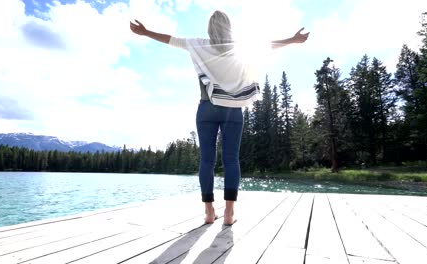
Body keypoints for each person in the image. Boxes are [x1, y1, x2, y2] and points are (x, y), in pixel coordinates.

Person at [130, 11, 309, 225]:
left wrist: (145, 32)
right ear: (229, 28)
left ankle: (208, 212)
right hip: (233, 110)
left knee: (207, 160)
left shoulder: (198, 44)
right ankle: (229, 214)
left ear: (209, 29)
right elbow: (268, 46)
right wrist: (293, 40)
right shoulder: (239, 49)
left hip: (207, 108)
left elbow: (170, 40)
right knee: (231, 159)